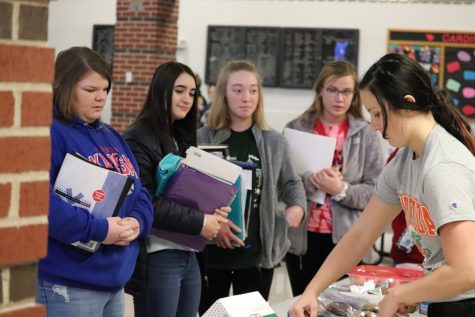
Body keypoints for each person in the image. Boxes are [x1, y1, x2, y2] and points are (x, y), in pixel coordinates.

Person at [289, 53, 475, 317]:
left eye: (377, 114)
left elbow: (467, 271)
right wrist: (312, 291)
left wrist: (403, 293)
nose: (374, 126)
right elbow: (361, 234)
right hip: (448, 298)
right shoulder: (402, 161)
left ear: (407, 104)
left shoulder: (443, 169)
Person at [37, 47, 154, 317]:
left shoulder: (112, 135)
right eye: (90, 90)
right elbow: (42, 205)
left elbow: (141, 193)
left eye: (105, 89)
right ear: (64, 87)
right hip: (67, 282)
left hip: (114, 280)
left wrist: (136, 223)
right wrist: (101, 230)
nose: (101, 97)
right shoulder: (50, 133)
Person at [197, 60, 307, 314]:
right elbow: (195, 193)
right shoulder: (203, 137)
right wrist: (215, 225)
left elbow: (291, 182)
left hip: (257, 256)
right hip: (212, 255)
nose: (247, 97)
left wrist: (297, 207)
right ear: (223, 93)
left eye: (253, 90)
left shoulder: (273, 141)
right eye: (237, 90)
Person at [123, 61, 230, 317]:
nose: (187, 99)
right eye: (180, 90)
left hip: (188, 252)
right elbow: (145, 201)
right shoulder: (138, 136)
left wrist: (213, 208)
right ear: (161, 90)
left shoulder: (178, 135)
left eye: (192, 93)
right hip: (158, 254)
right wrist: (200, 220)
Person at [284, 60, 385, 297]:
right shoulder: (297, 128)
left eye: (346, 91)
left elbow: (376, 191)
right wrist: (312, 181)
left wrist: (341, 189)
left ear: (355, 95)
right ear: (320, 90)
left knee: (343, 306)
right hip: (303, 238)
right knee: (304, 303)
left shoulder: (367, 132)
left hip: (348, 238)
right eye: (333, 90)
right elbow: (282, 184)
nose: (339, 98)